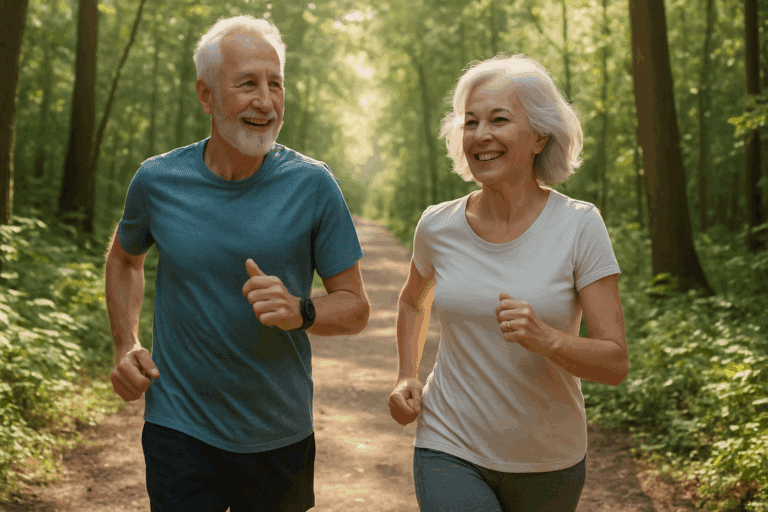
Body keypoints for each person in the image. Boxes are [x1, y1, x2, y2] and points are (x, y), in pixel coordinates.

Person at [105, 15, 369, 512]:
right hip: (178, 426)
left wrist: (301, 310)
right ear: (206, 96)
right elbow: (124, 259)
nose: (265, 101)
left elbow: (355, 307)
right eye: (247, 84)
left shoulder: (313, 185)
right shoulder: (158, 181)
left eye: (275, 84)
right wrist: (126, 343)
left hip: (277, 433)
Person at [387, 54, 628, 512]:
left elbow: (614, 363)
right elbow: (414, 302)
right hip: (448, 443)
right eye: (471, 122)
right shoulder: (437, 225)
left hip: (549, 460)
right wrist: (406, 375)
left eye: (499, 120)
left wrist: (548, 339)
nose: (481, 135)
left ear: (540, 136)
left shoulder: (580, 226)